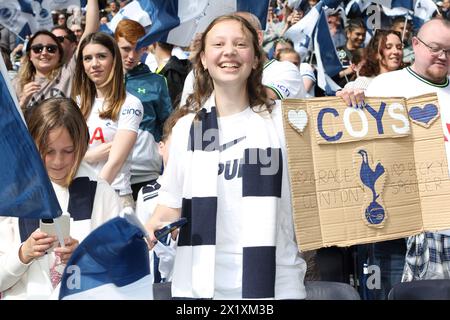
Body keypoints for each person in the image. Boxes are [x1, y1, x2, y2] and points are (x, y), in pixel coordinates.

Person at [145, 14, 306, 300]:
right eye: (218, 44)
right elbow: (169, 208)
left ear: (255, 58)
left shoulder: (287, 121)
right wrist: (136, 234)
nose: (229, 51)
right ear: (204, 59)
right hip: (201, 287)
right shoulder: (185, 129)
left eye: (240, 44)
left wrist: (355, 99)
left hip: (276, 284)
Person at [340, 17, 450, 298]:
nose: (443, 55)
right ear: (415, 44)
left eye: (449, 50)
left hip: (444, 224)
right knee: (397, 293)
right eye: (435, 48)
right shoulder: (383, 86)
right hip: (393, 221)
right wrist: (348, 102)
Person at [0, 97, 121, 299]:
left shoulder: (100, 192)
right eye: (48, 151)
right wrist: (23, 254)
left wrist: (83, 258)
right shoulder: (14, 196)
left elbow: (122, 268)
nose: (58, 161)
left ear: (81, 145)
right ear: (33, 144)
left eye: (68, 151)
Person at [72, 32, 144, 209]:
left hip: (113, 195)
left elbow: (115, 161)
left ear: (114, 60)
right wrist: (88, 156)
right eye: (87, 58)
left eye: (101, 56)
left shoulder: (130, 103)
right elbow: (66, 154)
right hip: (78, 194)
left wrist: (92, 196)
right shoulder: (77, 102)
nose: (94, 64)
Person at [114, 19, 173, 201]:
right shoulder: (99, 80)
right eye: (125, 48)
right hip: (108, 172)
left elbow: (167, 125)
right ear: (114, 44)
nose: (132, 55)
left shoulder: (156, 81)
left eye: (138, 49)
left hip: (145, 171)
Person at [12, 0, 99, 110]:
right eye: (37, 49)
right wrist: (23, 102)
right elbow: (8, 121)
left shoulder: (67, 73)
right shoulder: (17, 83)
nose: (44, 52)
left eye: (51, 49)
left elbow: (91, 30)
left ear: (58, 54)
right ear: (30, 55)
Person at [136, 108, 188, 284]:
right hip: (161, 284)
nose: (180, 157)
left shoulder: (205, 190)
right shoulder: (147, 194)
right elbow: (144, 247)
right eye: (176, 149)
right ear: (161, 147)